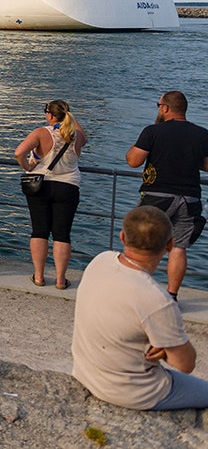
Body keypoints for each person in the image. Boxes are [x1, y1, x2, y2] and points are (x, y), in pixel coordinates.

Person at [72, 205, 208, 410]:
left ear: (123, 238)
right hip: (134, 393)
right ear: (170, 245)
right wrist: (164, 350)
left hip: (86, 374)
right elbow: (186, 364)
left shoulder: (101, 260)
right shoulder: (158, 301)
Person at [125, 91, 208, 300]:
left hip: (157, 195)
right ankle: (172, 295)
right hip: (190, 199)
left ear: (166, 108)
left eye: (159, 105)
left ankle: (136, 293)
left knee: (140, 243)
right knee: (179, 248)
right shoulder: (201, 134)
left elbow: (133, 161)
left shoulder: (153, 131)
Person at [14, 99, 86, 290]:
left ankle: (39, 276)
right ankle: (61, 280)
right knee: (62, 234)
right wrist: (70, 115)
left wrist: (28, 166)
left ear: (50, 115)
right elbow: (84, 136)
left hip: (40, 186)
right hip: (68, 186)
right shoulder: (76, 135)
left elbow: (18, 152)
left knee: (39, 231)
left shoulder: (41, 132)